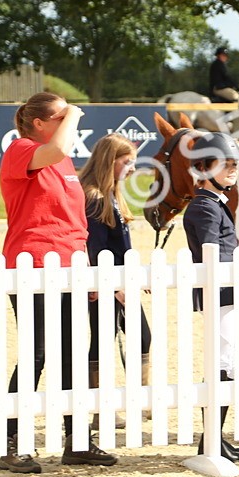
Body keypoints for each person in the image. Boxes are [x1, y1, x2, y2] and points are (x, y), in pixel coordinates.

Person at [0, 93, 118, 472]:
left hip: (70, 264)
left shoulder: (62, 159)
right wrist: (77, 114)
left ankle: (77, 440)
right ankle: (12, 444)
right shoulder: (22, 149)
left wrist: (86, 268)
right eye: (61, 115)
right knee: (36, 353)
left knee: (70, 353)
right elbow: (59, 145)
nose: (69, 119)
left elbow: (74, 218)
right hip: (32, 262)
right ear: (39, 122)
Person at [182, 131, 239, 463]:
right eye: (225, 164)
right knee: (223, 364)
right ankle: (210, 441)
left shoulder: (216, 204)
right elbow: (212, 256)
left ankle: (214, 438)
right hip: (219, 294)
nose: (232, 169)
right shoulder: (204, 207)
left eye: (234, 164)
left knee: (228, 365)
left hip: (227, 293)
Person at [78, 133, 151, 423]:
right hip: (109, 284)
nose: (132, 168)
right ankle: (100, 408)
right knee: (106, 341)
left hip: (118, 281)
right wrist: (116, 287)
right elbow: (97, 249)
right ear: (111, 161)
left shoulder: (109, 194)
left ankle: (137, 400)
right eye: (127, 161)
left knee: (133, 338)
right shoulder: (95, 198)